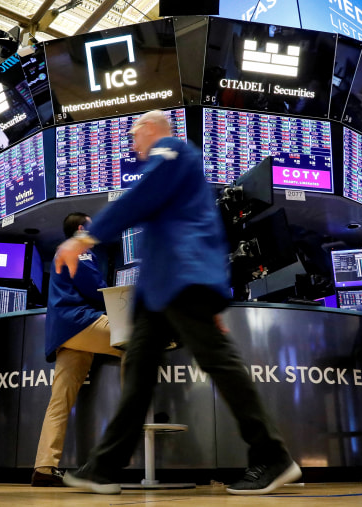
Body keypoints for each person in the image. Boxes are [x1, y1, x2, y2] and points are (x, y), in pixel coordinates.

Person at [56, 110, 301, 495]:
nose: (133, 145)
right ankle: (103, 467)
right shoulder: (180, 173)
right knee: (137, 374)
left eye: (135, 136)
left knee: (220, 364)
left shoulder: (172, 151)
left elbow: (141, 198)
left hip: (182, 281)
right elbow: (204, 228)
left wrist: (85, 237)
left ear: (151, 130)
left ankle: (273, 455)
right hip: (161, 291)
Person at [31, 212, 122, 487]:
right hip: (81, 322)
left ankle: (44, 467)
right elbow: (96, 289)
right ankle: (129, 427)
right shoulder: (78, 250)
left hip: (65, 334)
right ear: (81, 229)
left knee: (59, 403)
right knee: (138, 344)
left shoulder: (65, 252)